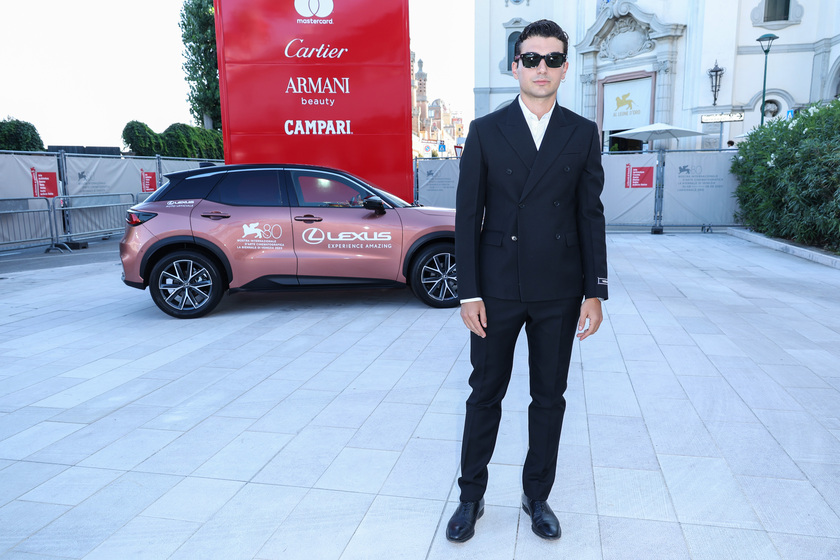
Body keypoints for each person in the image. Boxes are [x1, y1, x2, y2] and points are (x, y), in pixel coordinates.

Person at [446, 19, 608, 543]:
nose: (542, 68)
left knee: (549, 397)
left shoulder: (582, 133)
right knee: (484, 393)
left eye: (553, 59)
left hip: (560, 290)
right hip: (494, 289)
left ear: (566, 67)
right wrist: (468, 290)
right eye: (532, 58)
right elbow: (467, 216)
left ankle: (536, 496)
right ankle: (471, 497)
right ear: (515, 65)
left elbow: (590, 215)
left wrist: (595, 290)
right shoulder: (486, 131)